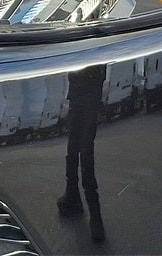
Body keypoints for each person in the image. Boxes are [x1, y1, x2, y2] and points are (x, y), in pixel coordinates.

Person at [57, 64, 106, 243]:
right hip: (83, 92)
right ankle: (74, 198)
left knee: (82, 152)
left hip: (86, 92)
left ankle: (94, 215)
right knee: (76, 151)